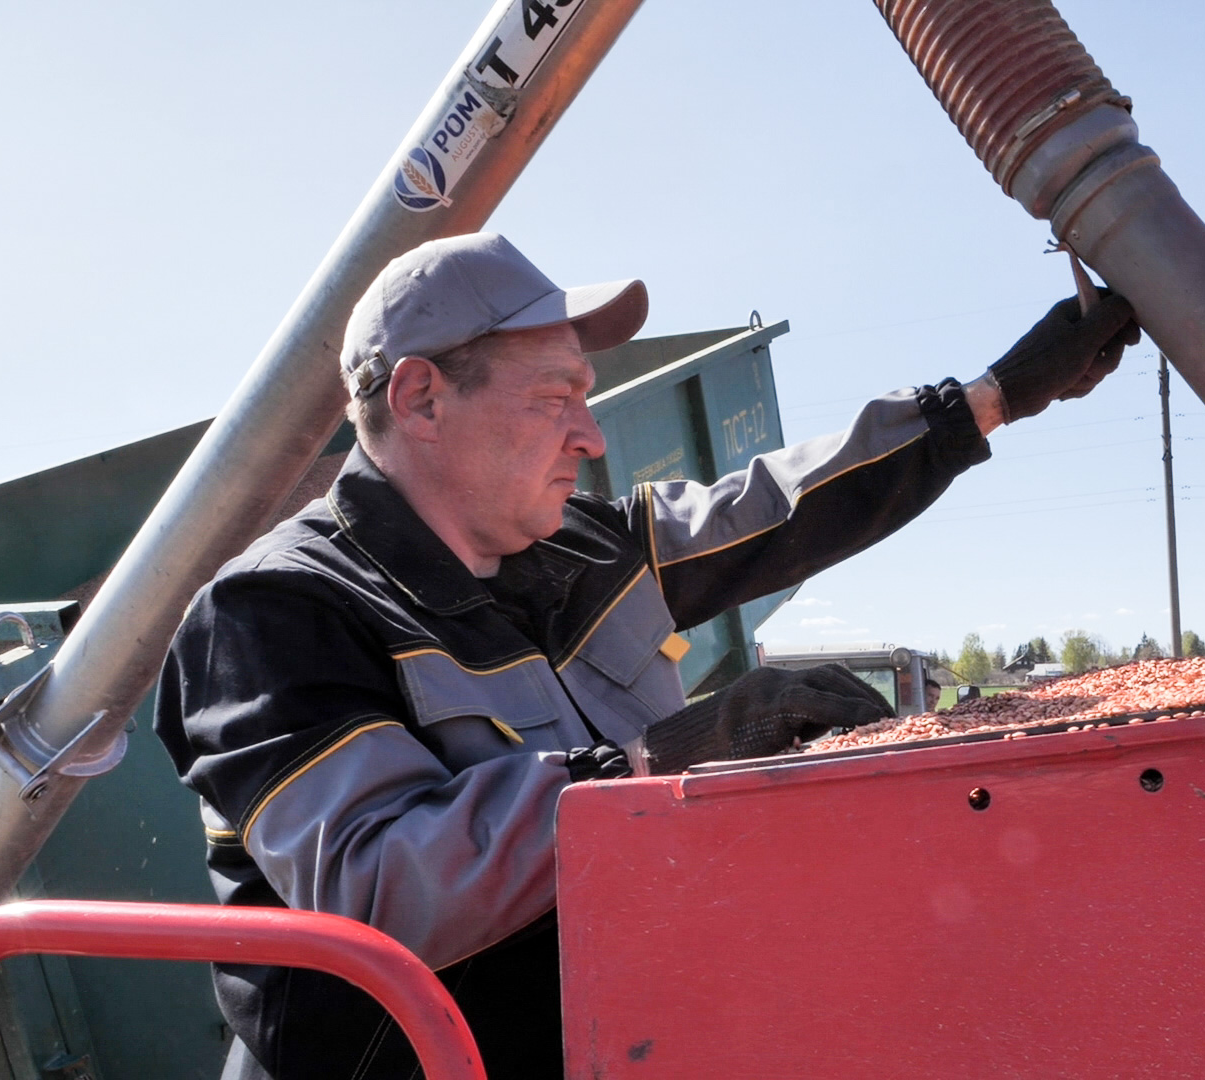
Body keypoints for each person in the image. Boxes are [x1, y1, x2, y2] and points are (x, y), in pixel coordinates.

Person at [155, 233, 1139, 1079]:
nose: (589, 434)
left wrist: (995, 399)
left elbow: (779, 506)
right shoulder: (273, 614)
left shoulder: (581, 547)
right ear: (420, 398)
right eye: (556, 397)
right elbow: (384, 887)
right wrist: (654, 763)